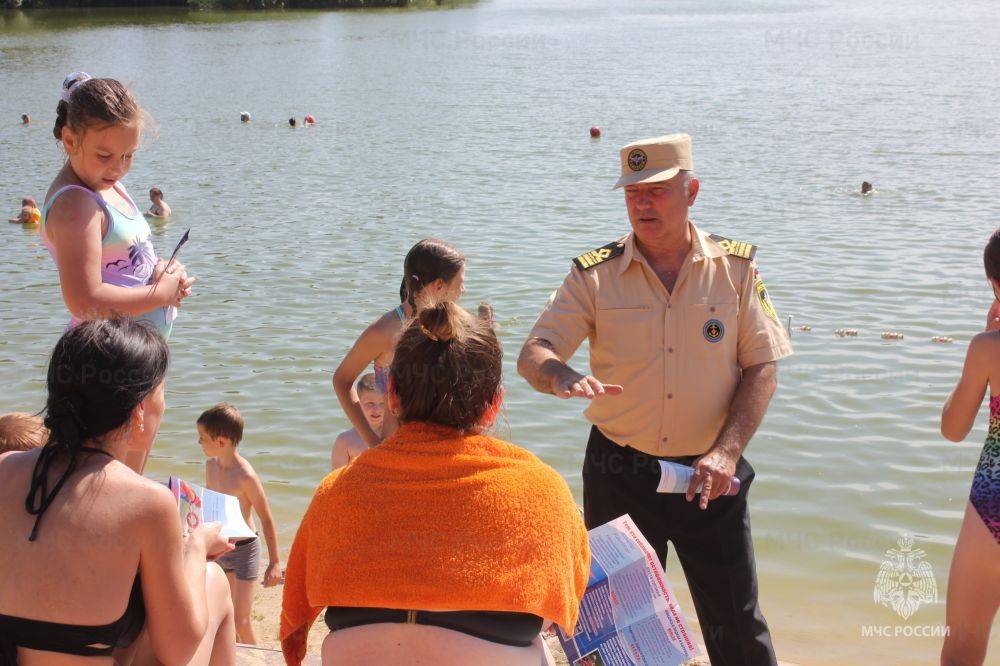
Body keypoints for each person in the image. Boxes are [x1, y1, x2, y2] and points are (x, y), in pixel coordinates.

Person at [517, 133, 793, 666]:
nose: (642, 203)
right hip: (619, 469)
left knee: (737, 624)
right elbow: (535, 351)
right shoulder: (594, 275)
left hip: (710, 475)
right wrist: (559, 376)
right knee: (614, 626)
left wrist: (727, 451)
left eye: (657, 191)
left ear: (691, 192)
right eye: (632, 192)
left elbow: (763, 367)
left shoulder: (735, 270)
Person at [282, 302, 590, 666]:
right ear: (493, 405)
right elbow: (565, 605)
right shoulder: (542, 491)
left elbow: (297, 610)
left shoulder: (336, 492)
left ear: (392, 395)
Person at [0, 318, 235, 665]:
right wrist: (196, 547)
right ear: (139, 409)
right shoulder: (148, 504)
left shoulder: (5, 468)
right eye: (161, 393)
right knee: (213, 582)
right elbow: (178, 650)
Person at [39, 72, 193, 340]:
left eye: (128, 155)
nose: (119, 167)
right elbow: (85, 301)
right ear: (70, 141)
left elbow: (124, 260)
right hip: (104, 360)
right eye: (104, 155)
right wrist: (159, 295)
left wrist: (161, 270)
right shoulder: (75, 206)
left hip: (133, 358)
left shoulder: (106, 184)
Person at [333, 238, 465, 446]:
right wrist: (371, 440)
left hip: (446, 446)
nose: (463, 290)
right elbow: (342, 380)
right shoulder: (385, 331)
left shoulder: (454, 325)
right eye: (460, 283)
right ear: (439, 285)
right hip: (397, 446)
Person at [939, 229, 1000, 666]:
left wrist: (984, 339)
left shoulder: (989, 350)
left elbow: (954, 429)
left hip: (993, 506)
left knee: (963, 645)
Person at [198, 402, 283, 645]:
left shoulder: (246, 476)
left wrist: (275, 562)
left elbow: (266, 518)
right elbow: (210, 506)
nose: (199, 442)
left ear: (221, 441)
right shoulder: (210, 466)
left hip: (245, 549)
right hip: (222, 545)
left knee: (241, 622)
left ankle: (259, 660)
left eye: (203, 438)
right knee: (226, 617)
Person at [331, 373, 384, 470]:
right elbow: (336, 479)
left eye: (382, 403)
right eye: (370, 403)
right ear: (359, 403)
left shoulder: (396, 434)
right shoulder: (345, 440)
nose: (377, 409)